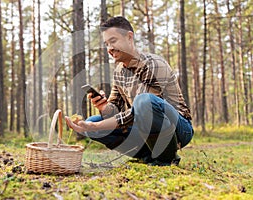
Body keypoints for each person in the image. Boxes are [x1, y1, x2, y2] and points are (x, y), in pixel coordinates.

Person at [65, 16, 194, 166]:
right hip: (142, 127)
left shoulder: (154, 64)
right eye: (106, 44)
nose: (109, 49)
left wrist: (98, 126)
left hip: (179, 127)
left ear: (129, 37)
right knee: (92, 122)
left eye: (113, 41)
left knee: (143, 101)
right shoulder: (119, 72)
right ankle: (147, 155)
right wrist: (104, 107)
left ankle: (166, 158)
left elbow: (143, 110)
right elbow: (115, 111)